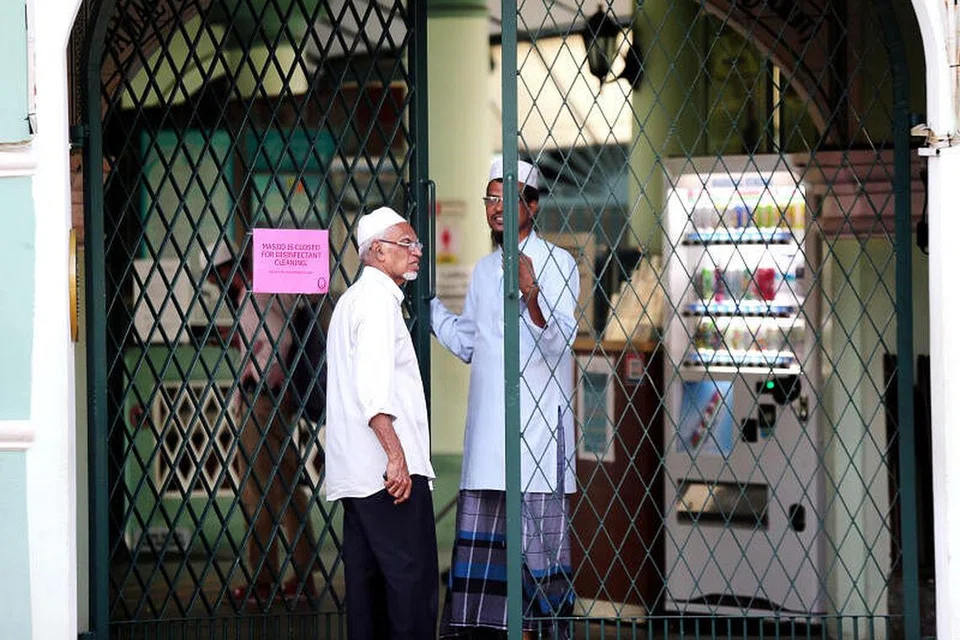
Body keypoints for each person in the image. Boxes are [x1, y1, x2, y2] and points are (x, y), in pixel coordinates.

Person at [431, 158, 580, 638]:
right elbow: (470, 343)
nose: (495, 208)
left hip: (537, 443)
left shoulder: (558, 264)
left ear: (532, 205)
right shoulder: (482, 271)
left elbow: (560, 342)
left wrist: (530, 289)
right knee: (484, 590)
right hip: (487, 445)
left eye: (505, 198)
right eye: (490, 199)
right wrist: (428, 308)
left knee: (538, 579)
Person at [325, 207, 439, 639]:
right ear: (376, 251)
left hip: (359, 479)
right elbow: (373, 391)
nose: (417, 252)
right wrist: (396, 458)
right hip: (388, 479)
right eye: (406, 243)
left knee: (367, 595)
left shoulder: (352, 301)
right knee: (411, 590)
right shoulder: (376, 303)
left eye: (416, 243)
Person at [206, 243, 318, 606]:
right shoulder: (267, 291)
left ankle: (263, 580)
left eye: (215, 277)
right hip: (274, 399)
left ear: (227, 271)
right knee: (287, 485)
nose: (215, 284)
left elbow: (276, 340)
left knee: (258, 489)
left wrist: (260, 378)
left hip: (262, 400)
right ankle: (303, 574)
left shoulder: (253, 293)